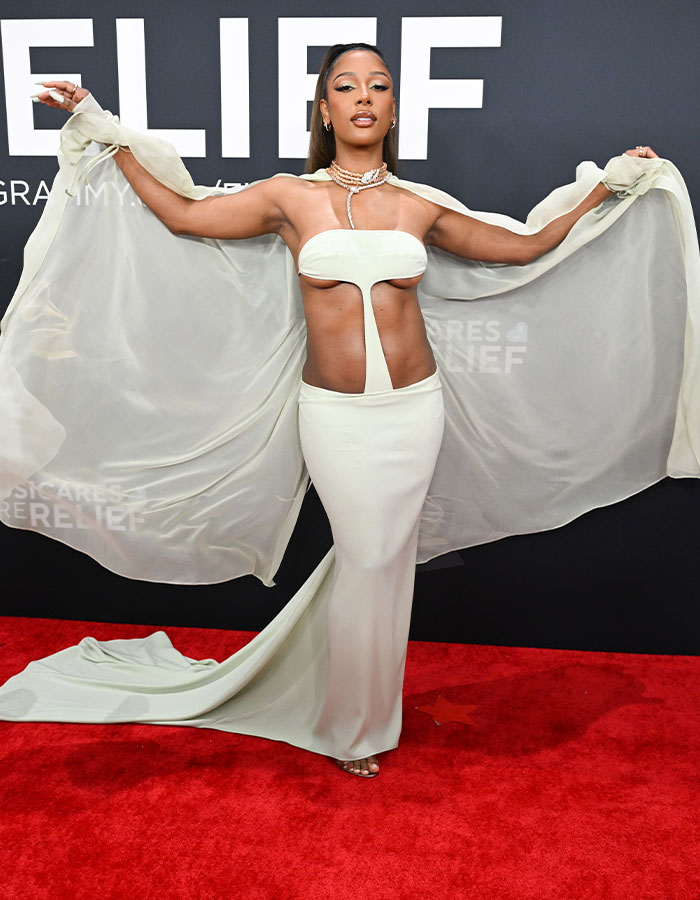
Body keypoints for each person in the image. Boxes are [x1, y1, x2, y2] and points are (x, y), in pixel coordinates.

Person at [0, 44, 695, 779]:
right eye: (347, 86)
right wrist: (106, 131)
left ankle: (365, 717)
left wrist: (606, 187)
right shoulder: (287, 198)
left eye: (378, 85)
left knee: (387, 564)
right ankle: (350, 724)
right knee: (366, 559)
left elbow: (523, 248)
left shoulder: (420, 206)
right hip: (336, 416)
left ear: (392, 110)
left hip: (415, 410)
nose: (364, 96)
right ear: (326, 111)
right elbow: (182, 215)